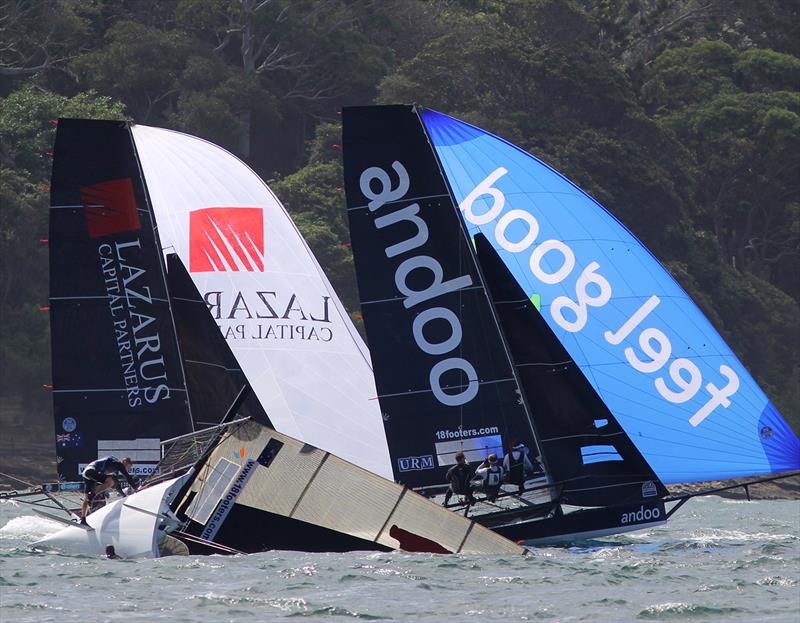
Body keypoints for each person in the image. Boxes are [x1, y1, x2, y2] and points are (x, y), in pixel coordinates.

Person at [80, 456, 137, 524]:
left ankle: (83, 519)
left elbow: (117, 486)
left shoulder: (115, 468)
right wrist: (136, 489)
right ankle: (92, 495)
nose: (128, 469)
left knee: (86, 498)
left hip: (86, 473)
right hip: (92, 471)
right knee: (110, 482)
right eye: (128, 467)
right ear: (124, 461)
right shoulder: (119, 464)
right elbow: (127, 477)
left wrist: (124, 495)